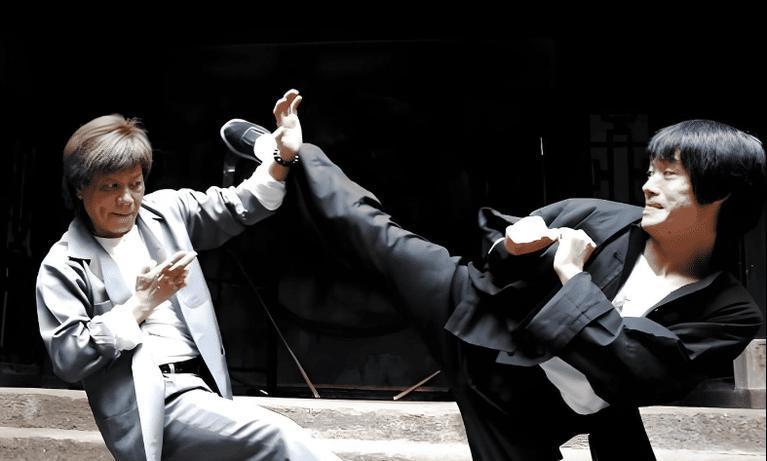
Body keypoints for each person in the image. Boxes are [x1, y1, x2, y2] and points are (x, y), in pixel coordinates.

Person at [223, 91, 765, 460]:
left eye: (668, 175)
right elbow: (496, 252)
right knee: (373, 233)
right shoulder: (600, 216)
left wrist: (572, 276)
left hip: (522, 405)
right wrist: (512, 245)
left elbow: (636, 369)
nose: (648, 185)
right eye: (650, 171)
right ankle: (288, 152)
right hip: (481, 315)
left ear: (720, 193)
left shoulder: (731, 313)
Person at [36, 91, 340, 461]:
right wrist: (139, 305)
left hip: (206, 387)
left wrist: (283, 156)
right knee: (278, 436)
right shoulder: (64, 263)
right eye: (111, 186)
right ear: (80, 188)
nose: (127, 199)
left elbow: (240, 205)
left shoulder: (166, 211)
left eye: (135, 184)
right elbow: (68, 358)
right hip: (153, 402)